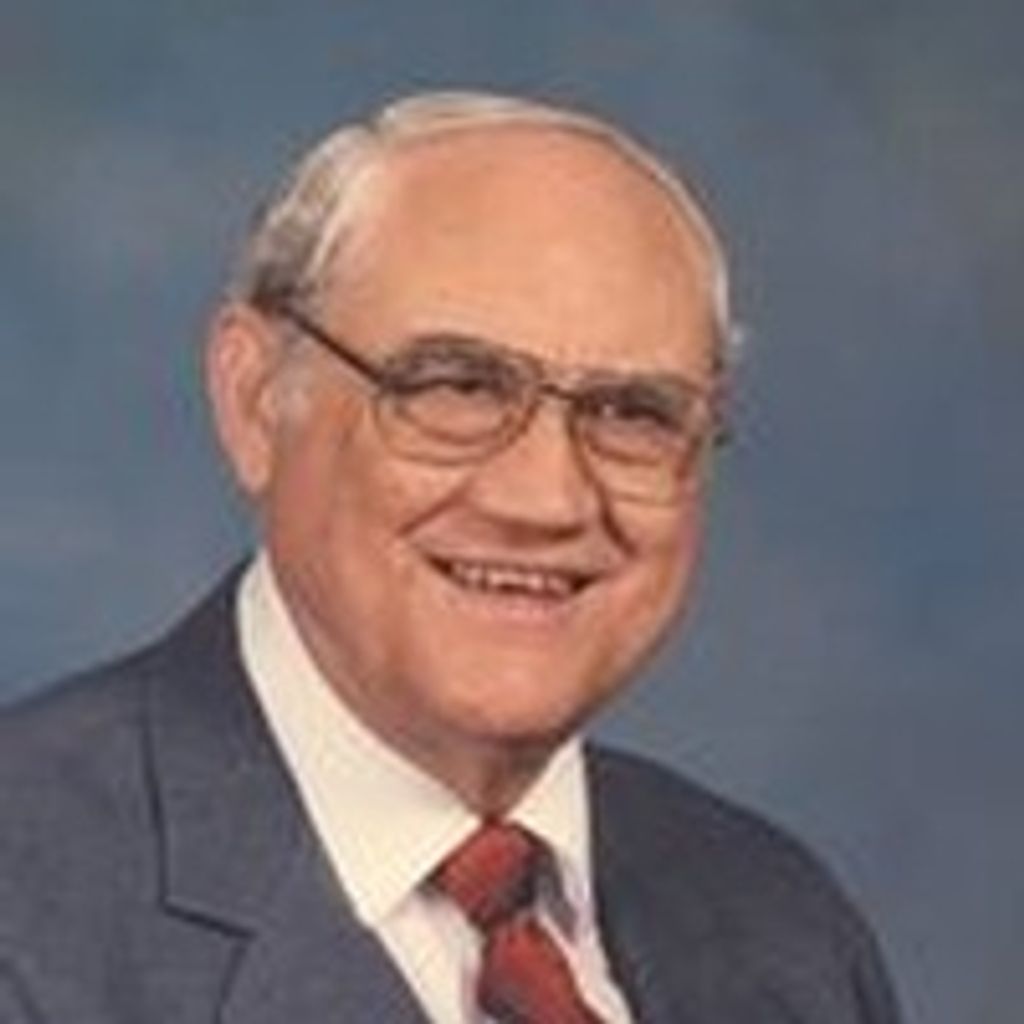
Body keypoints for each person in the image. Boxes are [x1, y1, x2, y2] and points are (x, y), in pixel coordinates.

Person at [0, 92, 901, 1023]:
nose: (546, 499)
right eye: (458, 387)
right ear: (257, 397)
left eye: (633, 413)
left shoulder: (785, 933)